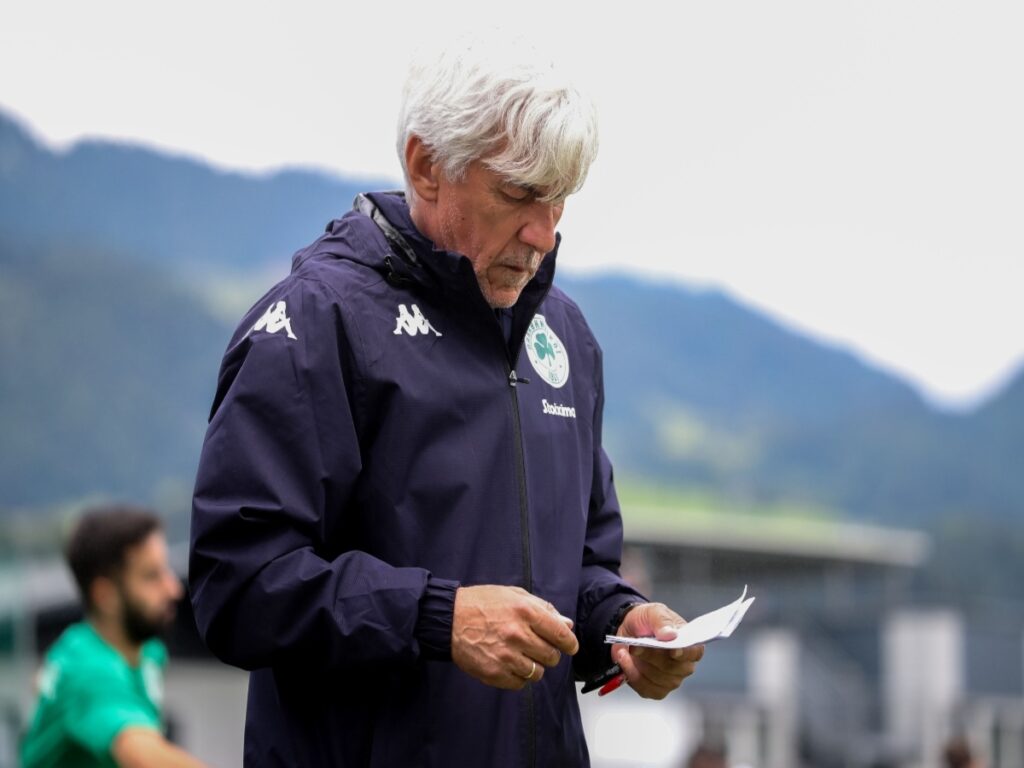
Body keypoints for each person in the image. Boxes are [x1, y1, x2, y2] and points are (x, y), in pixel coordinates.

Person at [189, 32, 703, 767]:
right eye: (518, 193)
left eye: (559, 198)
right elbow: (238, 585)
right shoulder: (317, 321)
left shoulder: (564, 336)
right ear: (427, 167)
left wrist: (624, 624)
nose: (543, 233)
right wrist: (440, 618)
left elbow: (582, 571)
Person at [20, 506, 208, 768]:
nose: (174, 589)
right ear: (104, 595)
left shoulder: (145, 650)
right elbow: (143, 756)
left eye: (166, 570)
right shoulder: (89, 671)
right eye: (151, 576)